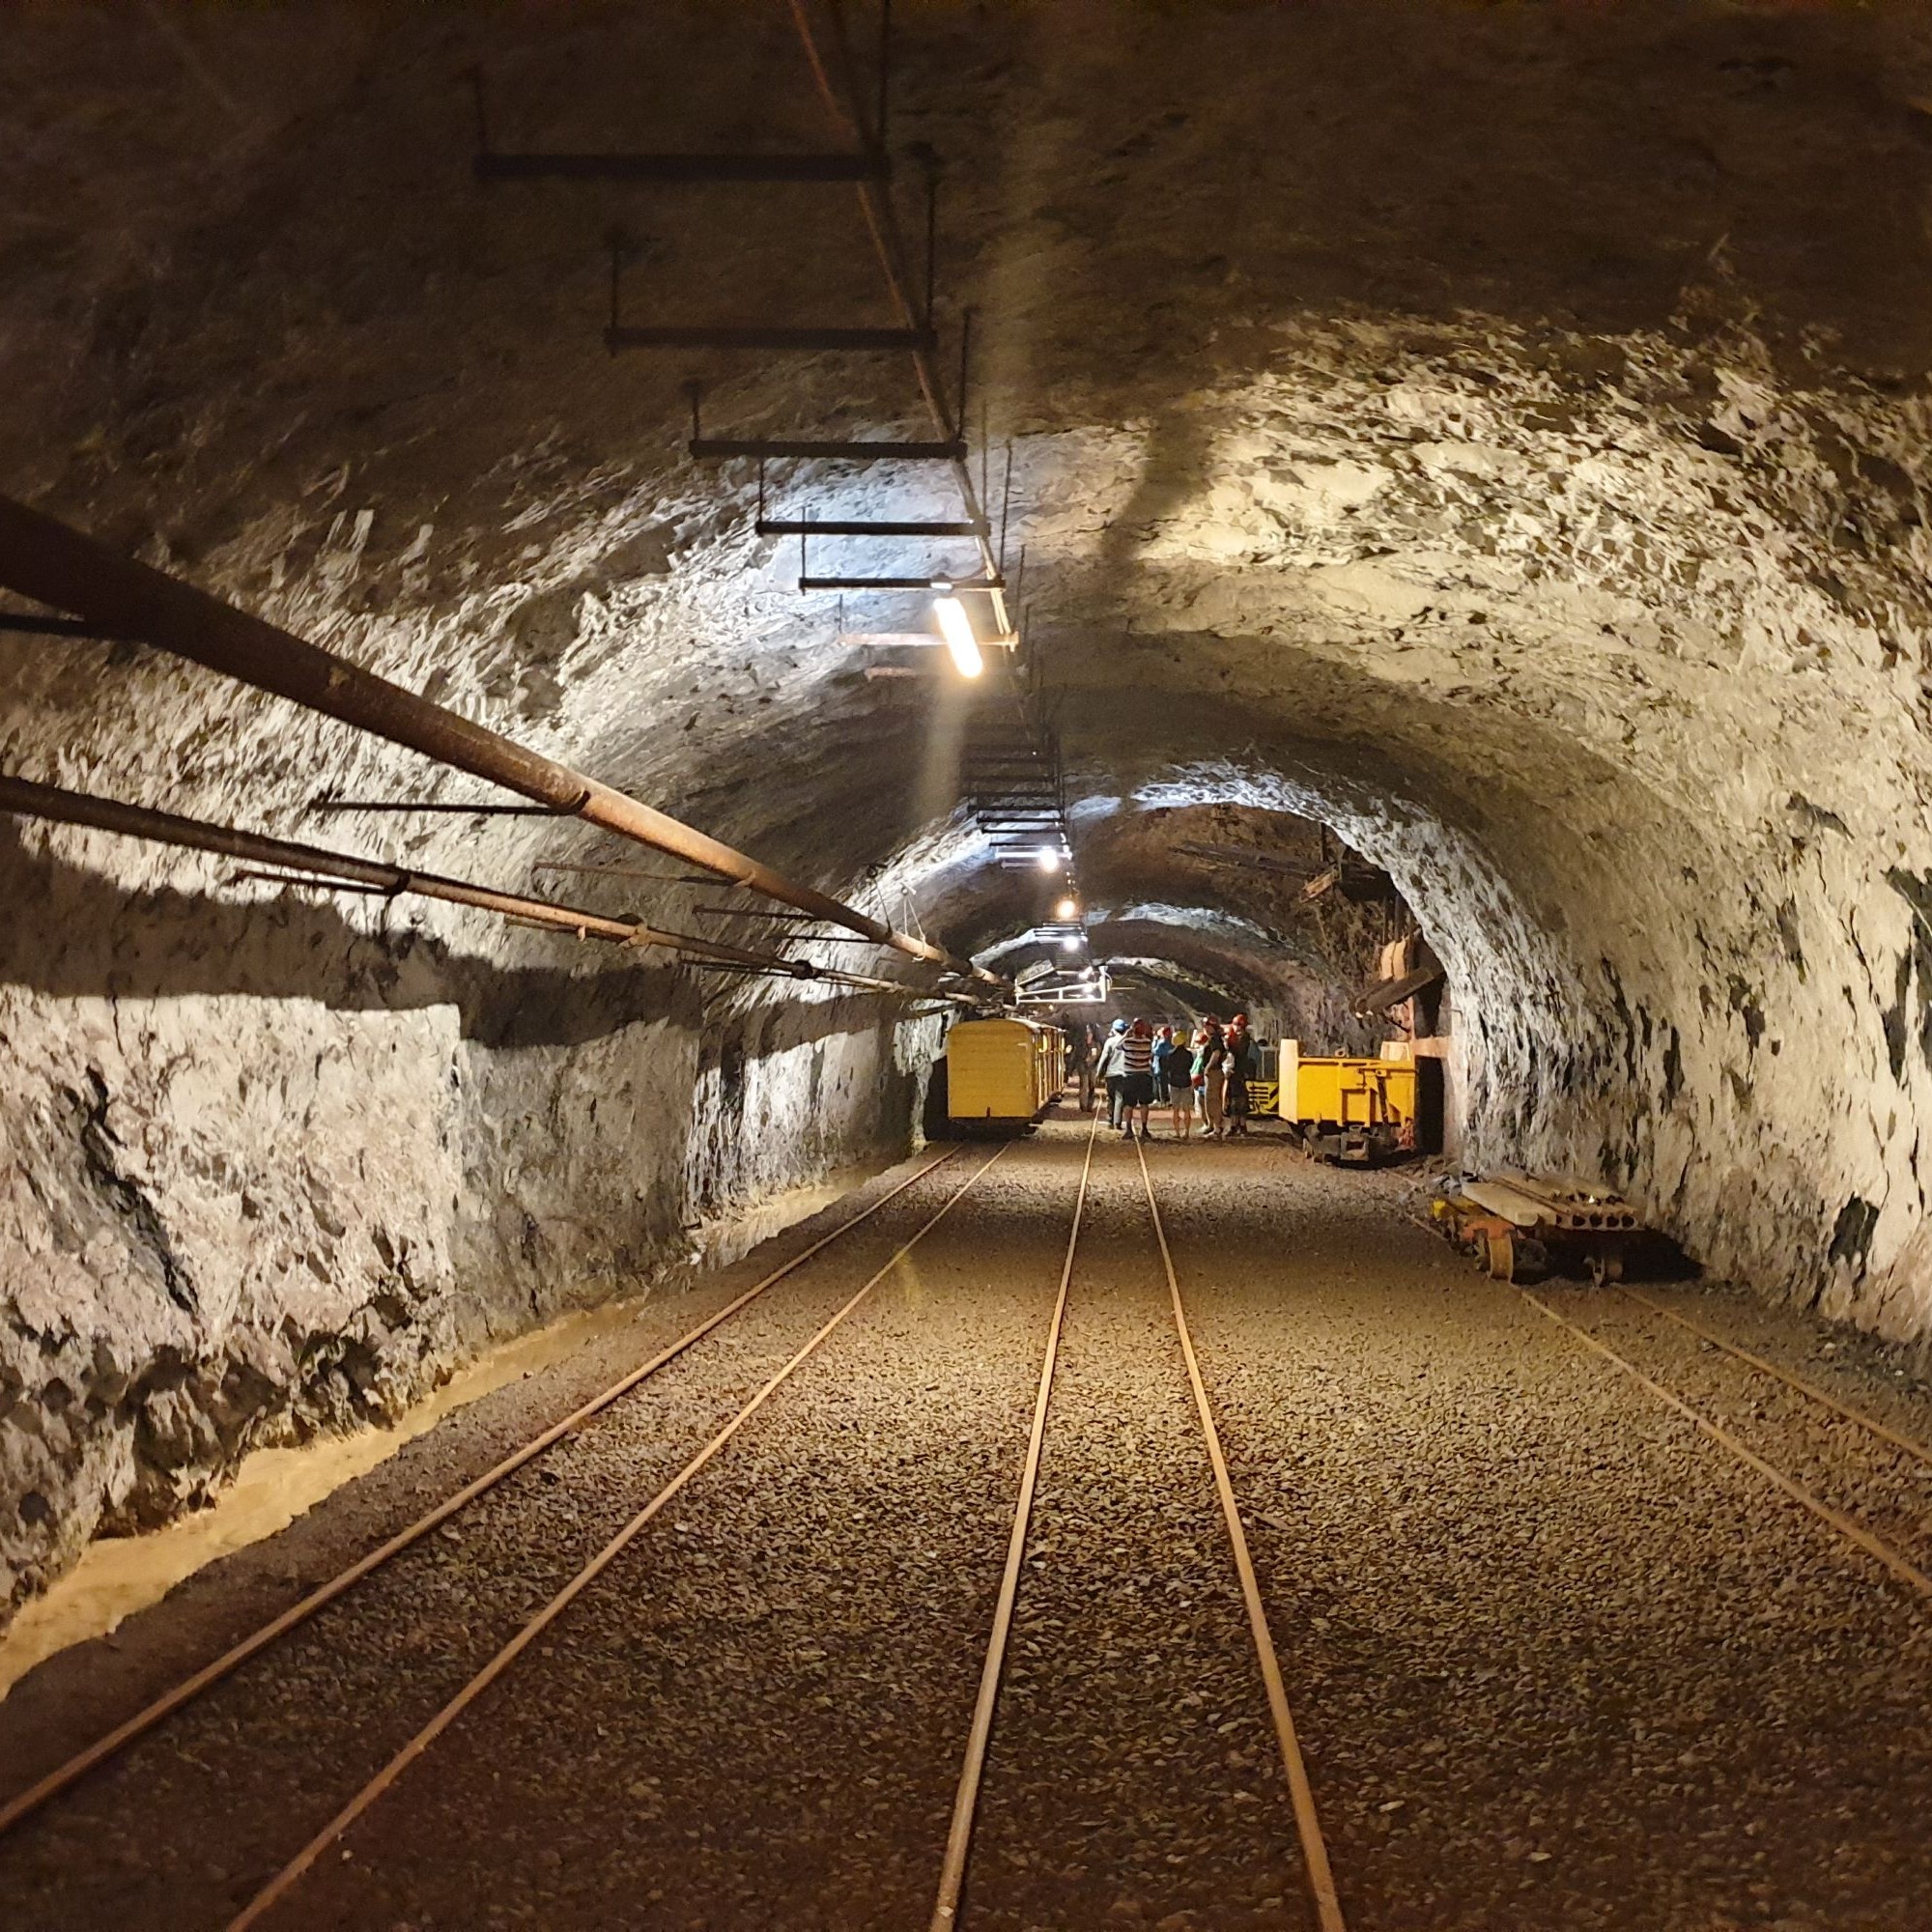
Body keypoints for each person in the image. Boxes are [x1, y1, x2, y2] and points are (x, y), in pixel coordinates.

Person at [1120, 1016, 1155, 1140]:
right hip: (1144, 1076)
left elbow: (1118, 1047)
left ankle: (1129, 1128)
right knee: (1144, 1103)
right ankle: (1144, 1128)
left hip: (1130, 1076)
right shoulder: (1147, 1043)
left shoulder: (1128, 1042)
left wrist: (1126, 1034)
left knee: (1128, 1104)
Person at [1161, 1023, 1198, 1140]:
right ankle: (1186, 1132)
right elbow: (1190, 1066)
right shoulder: (1188, 1055)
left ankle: (1177, 1132)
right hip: (1186, 1081)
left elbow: (1166, 1068)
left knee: (1175, 1109)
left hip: (1174, 1082)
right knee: (1187, 1108)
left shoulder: (1169, 1055)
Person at [1225, 1013, 1256, 1138]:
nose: (1236, 1028)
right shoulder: (1233, 1039)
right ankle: (1233, 1125)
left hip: (1241, 1074)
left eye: (1238, 1025)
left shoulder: (1246, 1040)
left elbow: (1244, 1056)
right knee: (1232, 1101)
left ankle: (1242, 1126)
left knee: (1242, 1101)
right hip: (1233, 1074)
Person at [1197, 1018, 1228, 1139]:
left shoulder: (1214, 1039)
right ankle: (1214, 1125)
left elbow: (1217, 1053)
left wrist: (1208, 1067)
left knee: (1213, 1100)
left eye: (1206, 1026)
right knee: (1211, 1099)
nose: (1204, 1028)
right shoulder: (1216, 1039)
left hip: (1213, 1073)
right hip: (1215, 1071)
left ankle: (1217, 1127)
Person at [1095, 1017, 1128, 1128]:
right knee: (1120, 1097)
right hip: (1124, 1073)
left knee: (1111, 1097)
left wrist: (1098, 1073)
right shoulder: (1127, 1042)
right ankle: (1117, 1122)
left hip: (1111, 1074)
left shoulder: (1110, 1041)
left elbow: (1103, 1058)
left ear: (1114, 1030)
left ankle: (1110, 1119)